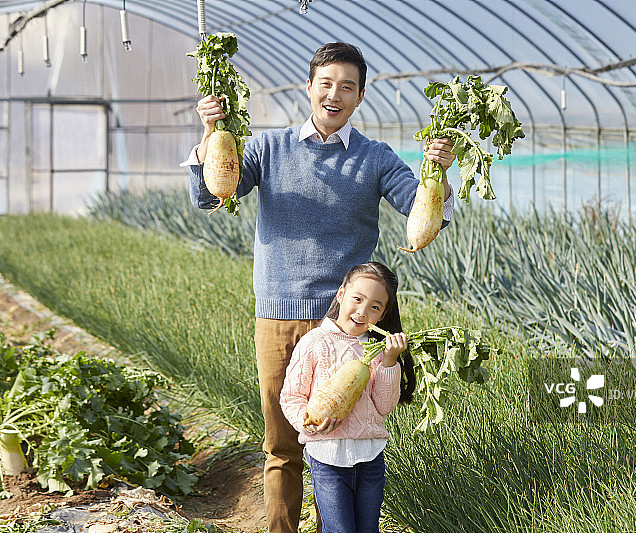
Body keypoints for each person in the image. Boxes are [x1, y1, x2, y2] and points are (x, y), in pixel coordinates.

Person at [182, 42, 456, 533]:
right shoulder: (269, 148)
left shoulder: (376, 158)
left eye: (347, 87)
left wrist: (439, 171)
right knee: (282, 445)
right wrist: (210, 135)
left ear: (360, 95)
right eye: (326, 84)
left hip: (348, 326)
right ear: (309, 87)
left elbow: (422, 213)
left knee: (346, 441)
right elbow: (211, 194)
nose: (335, 94)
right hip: (279, 316)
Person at [279, 261, 414, 533]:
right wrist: (305, 422)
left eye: (375, 307)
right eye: (357, 299)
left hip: (370, 456)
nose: (363, 311)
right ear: (341, 294)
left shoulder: (377, 350)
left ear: (383, 314)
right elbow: (292, 396)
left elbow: (384, 405)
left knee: (367, 529)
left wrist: (389, 361)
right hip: (327, 457)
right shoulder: (315, 342)